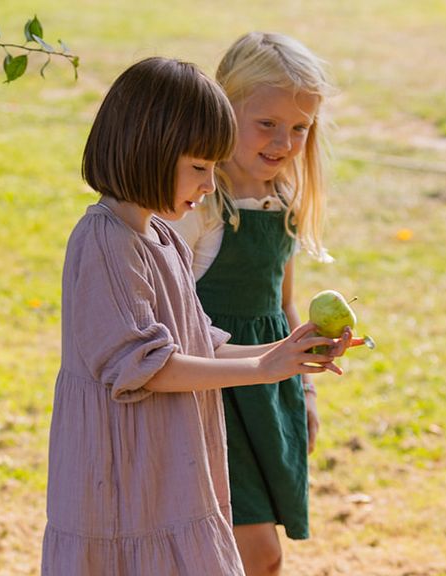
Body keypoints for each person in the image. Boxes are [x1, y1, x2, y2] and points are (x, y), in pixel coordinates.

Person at [41, 56, 348, 575]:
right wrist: (258, 370)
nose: (210, 185)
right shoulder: (104, 243)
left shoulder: (159, 237)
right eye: (200, 168)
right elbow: (146, 366)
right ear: (148, 152)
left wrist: (283, 355)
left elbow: (196, 341)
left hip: (165, 467)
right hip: (122, 480)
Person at [167, 32, 344, 576]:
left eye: (299, 128)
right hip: (211, 392)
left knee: (253, 558)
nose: (284, 141)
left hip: (268, 393)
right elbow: (169, 313)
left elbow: (284, 303)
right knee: (254, 555)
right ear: (225, 109)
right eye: (266, 123)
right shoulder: (200, 205)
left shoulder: (283, 201)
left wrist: (306, 388)